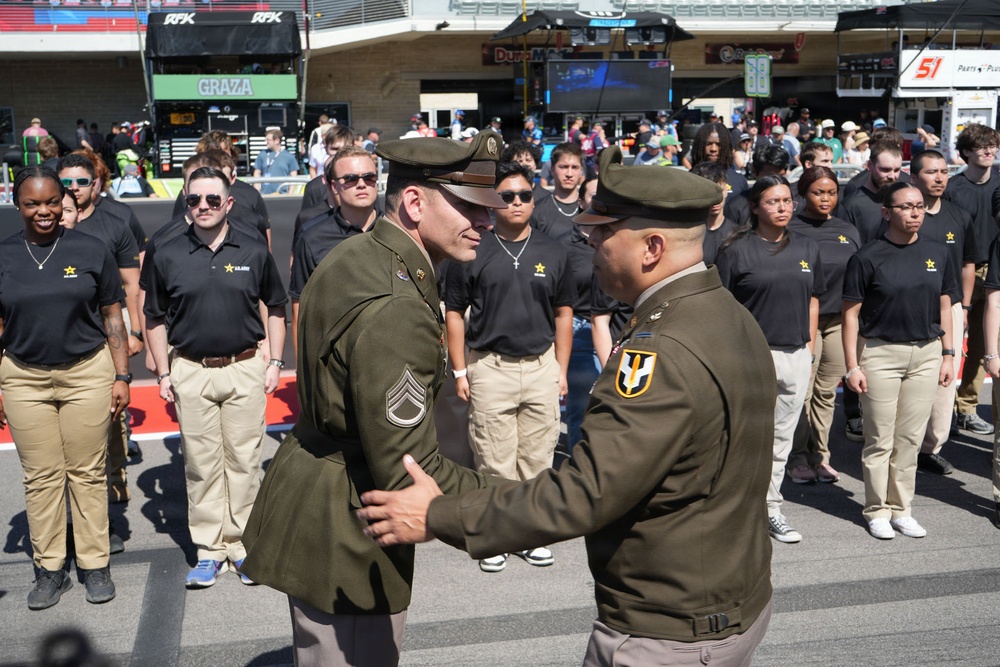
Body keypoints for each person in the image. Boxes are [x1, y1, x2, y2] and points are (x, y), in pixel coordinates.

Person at [357, 146, 777, 666]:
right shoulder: (724, 311)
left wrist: (440, 514)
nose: (589, 239)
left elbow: (584, 492)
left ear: (651, 247)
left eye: (604, 231)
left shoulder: (661, 349)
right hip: (725, 599)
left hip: (669, 628)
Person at [240, 131, 508, 666]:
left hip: (319, 495)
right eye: (470, 208)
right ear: (414, 203)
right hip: (352, 527)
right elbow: (407, 468)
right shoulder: (397, 303)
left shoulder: (355, 254)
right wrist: (516, 501)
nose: (486, 222)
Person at [143, 167, 287, 588]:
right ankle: (209, 551)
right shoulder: (166, 252)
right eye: (194, 200)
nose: (202, 207)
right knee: (202, 466)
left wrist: (275, 362)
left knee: (245, 462)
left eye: (211, 200)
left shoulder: (254, 250)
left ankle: (243, 548)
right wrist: (165, 371)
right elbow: (153, 318)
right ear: (185, 204)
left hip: (245, 368)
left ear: (229, 204)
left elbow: (276, 307)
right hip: (190, 370)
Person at [2, 166, 131, 609]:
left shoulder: (91, 249)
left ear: (64, 201)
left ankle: (94, 565)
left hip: (86, 372)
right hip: (22, 376)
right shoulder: (3, 255)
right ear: (17, 205)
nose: (44, 211)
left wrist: (121, 375)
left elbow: (113, 313)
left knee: (88, 471)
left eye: (52, 201)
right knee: (41, 477)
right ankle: (49, 569)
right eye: (32, 203)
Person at [445, 160, 575, 572]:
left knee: (537, 460)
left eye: (524, 195)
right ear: (494, 202)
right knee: (494, 459)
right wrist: (461, 370)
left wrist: (562, 369)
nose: (517, 203)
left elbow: (564, 314)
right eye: (507, 196)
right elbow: (453, 311)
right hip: (490, 367)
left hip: (541, 366)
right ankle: (495, 536)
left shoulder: (555, 251)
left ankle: (529, 534)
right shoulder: (472, 248)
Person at [842, 182, 956, 540]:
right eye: (906, 207)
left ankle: (902, 508)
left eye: (920, 206)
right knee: (880, 437)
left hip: (926, 353)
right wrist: (852, 366)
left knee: (909, 438)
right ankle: (876, 509)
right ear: (887, 212)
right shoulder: (867, 257)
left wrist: (949, 353)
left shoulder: (938, 252)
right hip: (880, 354)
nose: (915, 213)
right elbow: (850, 315)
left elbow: (945, 305)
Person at [716, 175, 824, 544]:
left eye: (787, 200)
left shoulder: (808, 247)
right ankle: (734, 512)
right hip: (750, 358)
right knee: (743, 439)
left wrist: (808, 349)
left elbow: (814, 299)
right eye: (773, 201)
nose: (782, 207)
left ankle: (771, 509)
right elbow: (722, 310)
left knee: (780, 440)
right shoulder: (735, 250)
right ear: (755, 207)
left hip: (795, 354)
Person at [785, 166, 861, 485]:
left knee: (826, 392)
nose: (826, 198)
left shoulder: (849, 229)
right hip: (801, 318)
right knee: (800, 390)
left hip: (840, 320)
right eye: (818, 192)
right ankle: (797, 456)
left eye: (831, 192)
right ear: (803, 194)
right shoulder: (789, 228)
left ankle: (821, 456)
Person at [911, 150, 981, 475]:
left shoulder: (959, 216)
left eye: (943, 172)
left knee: (944, 382)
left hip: (949, 306)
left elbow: (969, 263)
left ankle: (930, 448)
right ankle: (903, 447)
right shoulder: (904, 214)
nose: (939, 178)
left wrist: (964, 307)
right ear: (914, 176)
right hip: (907, 306)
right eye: (931, 172)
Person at [289, 147, 379, 357]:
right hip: (334, 363)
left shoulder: (399, 231)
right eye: (350, 178)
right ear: (334, 186)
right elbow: (300, 311)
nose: (361, 184)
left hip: (391, 359)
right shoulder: (311, 237)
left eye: (369, 177)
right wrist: (304, 377)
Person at [945, 124, 1000, 437]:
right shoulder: (952, 188)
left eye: (992, 145)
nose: (989, 151)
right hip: (959, 271)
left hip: (995, 271)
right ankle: (942, 407)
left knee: (983, 346)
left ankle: (966, 408)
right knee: (950, 343)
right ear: (965, 152)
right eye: (981, 146)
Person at [843, 141, 904, 244]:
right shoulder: (851, 205)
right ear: (870, 165)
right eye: (885, 170)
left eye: (897, 170)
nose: (892, 176)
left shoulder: (905, 200)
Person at [689, 161, 737, 265]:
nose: (716, 200)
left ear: (726, 191)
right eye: (709, 194)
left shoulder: (737, 235)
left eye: (720, 191)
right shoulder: (687, 235)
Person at [253, 128, 298, 194]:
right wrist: (257, 192)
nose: (266, 142)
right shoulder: (262, 154)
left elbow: (293, 176)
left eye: (268, 140)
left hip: (282, 195)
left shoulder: (289, 156)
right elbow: (257, 173)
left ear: (277, 140)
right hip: (264, 195)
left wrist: (290, 194)